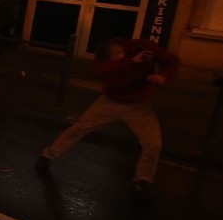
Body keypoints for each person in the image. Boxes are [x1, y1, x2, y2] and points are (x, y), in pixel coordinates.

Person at [35, 37, 179, 200]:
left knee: (153, 144)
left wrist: (163, 75)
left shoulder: (143, 47)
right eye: (114, 58)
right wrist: (131, 62)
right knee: (79, 128)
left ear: (121, 46)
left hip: (139, 107)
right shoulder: (105, 59)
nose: (118, 58)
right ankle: (48, 155)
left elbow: (172, 61)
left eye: (119, 53)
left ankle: (143, 180)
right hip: (109, 102)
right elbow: (100, 69)